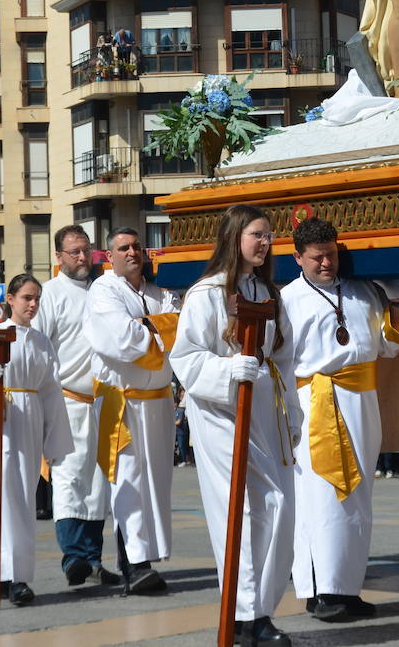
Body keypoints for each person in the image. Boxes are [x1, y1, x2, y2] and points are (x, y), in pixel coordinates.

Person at [169, 204, 302, 646]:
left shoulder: (268, 293)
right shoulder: (205, 294)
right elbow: (186, 356)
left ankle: (261, 606)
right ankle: (245, 615)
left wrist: (291, 414)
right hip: (221, 411)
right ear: (234, 237)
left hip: (262, 407)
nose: (265, 242)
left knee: (278, 503)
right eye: (257, 234)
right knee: (240, 506)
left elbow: (283, 356)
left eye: (268, 235)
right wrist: (228, 370)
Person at [281, 217, 399, 623]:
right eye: (317, 258)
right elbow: (279, 363)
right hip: (314, 402)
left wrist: (398, 301)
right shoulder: (286, 300)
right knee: (322, 499)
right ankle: (323, 590)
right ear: (297, 257)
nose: (326, 264)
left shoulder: (361, 292)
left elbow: (389, 347)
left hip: (361, 400)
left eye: (331, 255)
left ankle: (345, 587)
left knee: (358, 496)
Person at [0, 274, 74, 606]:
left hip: (28, 419)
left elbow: (52, 392)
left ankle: (20, 577)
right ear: (10, 300)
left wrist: (55, 443)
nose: (33, 304)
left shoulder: (42, 342)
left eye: (37, 298)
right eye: (27, 297)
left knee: (23, 499)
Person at [85, 226, 181, 594]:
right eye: (123, 247)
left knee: (157, 481)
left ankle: (147, 558)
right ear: (110, 257)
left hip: (157, 398)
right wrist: (158, 330)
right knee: (127, 479)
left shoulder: (160, 292)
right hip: (121, 399)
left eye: (137, 246)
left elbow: (179, 329)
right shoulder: (104, 289)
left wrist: (147, 327)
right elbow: (120, 339)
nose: (132, 252)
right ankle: (133, 565)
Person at [32, 225, 117, 587]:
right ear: (59, 257)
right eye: (74, 253)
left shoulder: (103, 291)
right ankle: (73, 557)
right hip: (66, 400)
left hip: (104, 401)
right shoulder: (49, 295)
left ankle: (94, 559)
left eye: (86, 251)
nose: (83, 258)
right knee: (69, 479)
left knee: (99, 483)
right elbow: (37, 347)